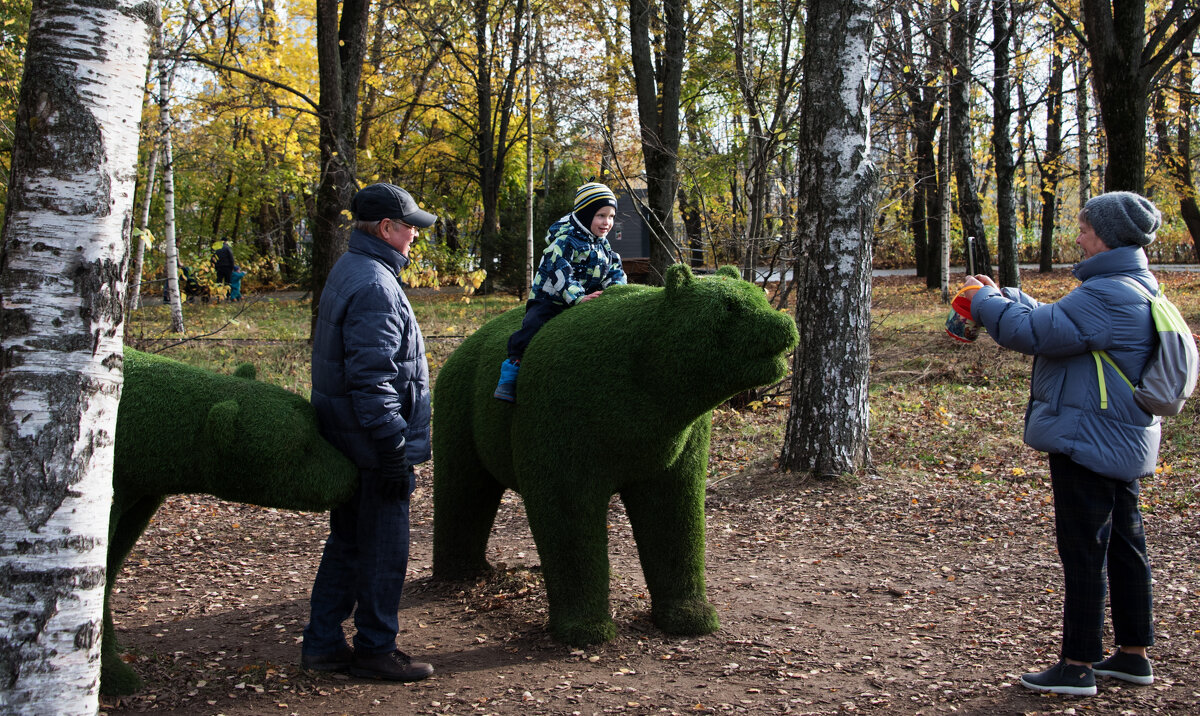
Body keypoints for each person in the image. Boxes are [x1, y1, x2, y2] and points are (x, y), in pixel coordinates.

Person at [962, 191, 1163, 697]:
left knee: (1084, 547)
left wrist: (982, 301)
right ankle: (1133, 656)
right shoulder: (1131, 284)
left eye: (1085, 227)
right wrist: (1005, 294)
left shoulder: (1105, 294)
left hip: (1088, 437)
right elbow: (1058, 322)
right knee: (1123, 543)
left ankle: (1077, 665)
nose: (1078, 235)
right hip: (1120, 434)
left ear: (1108, 236)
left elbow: (1035, 334)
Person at [301, 183, 437, 682]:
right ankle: (375, 649)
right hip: (370, 445)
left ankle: (322, 643)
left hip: (349, 438)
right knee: (383, 549)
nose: (415, 238)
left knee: (349, 543)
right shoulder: (376, 285)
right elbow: (371, 378)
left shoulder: (353, 268)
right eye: (410, 228)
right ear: (386, 228)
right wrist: (392, 449)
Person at [493, 182, 626, 402]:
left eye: (611, 216)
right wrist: (577, 297)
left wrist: (615, 294)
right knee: (533, 324)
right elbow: (559, 270)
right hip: (551, 298)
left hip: (586, 298)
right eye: (601, 215)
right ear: (585, 215)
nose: (607, 223)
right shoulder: (564, 241)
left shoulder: (604, 247)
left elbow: (615, 271)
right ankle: (512, 369)